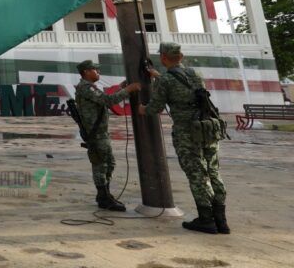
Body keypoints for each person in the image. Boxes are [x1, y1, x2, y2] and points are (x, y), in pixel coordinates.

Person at [139, 41, 228, 234]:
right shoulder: (195, 74)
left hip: (188, 132)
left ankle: (206, 219)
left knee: (197, 175)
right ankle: (221, 220)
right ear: (181, 57)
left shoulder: (166, 81)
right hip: (208, 127)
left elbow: (156, 108)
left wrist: (143, 108)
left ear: (163, 57)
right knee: (213, 172)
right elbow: (185, 89)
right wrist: (159, 76)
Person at [74, 59, 141, 211]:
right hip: (96, 134)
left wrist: (122, 89)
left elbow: (106, 100)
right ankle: (104, 198)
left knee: (108, 164)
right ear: (86, 72)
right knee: (101, 165)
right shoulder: (86, 88)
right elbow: (108, 100)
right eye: (95, 70)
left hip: (100, 133)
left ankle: (104, 194)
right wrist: (128, 90)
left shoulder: (89, 87)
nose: (98, 72)